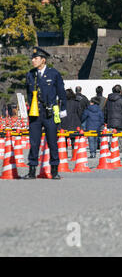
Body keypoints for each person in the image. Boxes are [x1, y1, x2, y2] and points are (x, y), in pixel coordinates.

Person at [24, 47, 67, 180]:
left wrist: (62, 109)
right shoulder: (30, 74)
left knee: (52, 142)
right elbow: (29, 94)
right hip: (35, 113)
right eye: (32, 58)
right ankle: (32, 170)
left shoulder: (53, 73)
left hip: (50, 112)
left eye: (35, 58)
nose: (33, 60)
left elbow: (61, 92)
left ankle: (54, 170)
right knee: (34, 142)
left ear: (43, 60)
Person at [105, 84, 122, 151]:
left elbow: (105, 110)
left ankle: (112, 148)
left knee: (111, 136)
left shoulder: (108, 99)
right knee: (120, 136)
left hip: (110, 121)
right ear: (120, 91)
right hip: (120, 121)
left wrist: (105, 120)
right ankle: (118, 149)